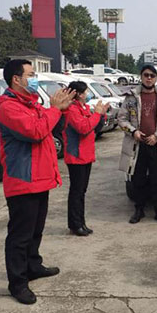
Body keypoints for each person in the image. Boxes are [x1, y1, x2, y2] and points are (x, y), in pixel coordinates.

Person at [0, 59, 75, 305]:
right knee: (20, 236)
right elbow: (35, 132)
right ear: (16, 79)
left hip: (40, 179)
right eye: (30, 74)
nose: (35, 78)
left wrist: (61, 110)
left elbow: (51, 128)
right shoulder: (9, 108)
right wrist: (54, 109)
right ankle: (17, 283)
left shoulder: (32, 104)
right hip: (23, 181)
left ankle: (33, 265)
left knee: (35, 230)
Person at [118, 64, 157, 225]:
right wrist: (133, 132)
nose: (149, 78)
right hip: (137, 145)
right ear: (141, 77)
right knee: (138, 179)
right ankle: (139, 210)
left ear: (156, 78)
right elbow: (122, 119)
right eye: (146, 75)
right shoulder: (131, 98)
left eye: (152, 75)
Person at [63, 81, 110, 236]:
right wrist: (97, 114)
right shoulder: (71, 110)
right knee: (76, 191)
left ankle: (81, 222)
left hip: (86, 155)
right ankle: (75, 224)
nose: (87, 94)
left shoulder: (84, 108)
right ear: (78, 94)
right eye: (85, 92)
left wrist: (101, 114)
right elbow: (83, 128)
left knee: (82, 191)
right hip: (76, 156)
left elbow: (95, 127)